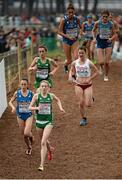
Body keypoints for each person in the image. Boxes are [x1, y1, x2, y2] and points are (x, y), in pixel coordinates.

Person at [29, 80, 65, 171]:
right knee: (44, 141)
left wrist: (60, 108)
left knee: (42, 142)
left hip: (48, 121)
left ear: (48, 88)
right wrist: (37, 108)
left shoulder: (51, 96)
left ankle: (41, 165)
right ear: (40, 87)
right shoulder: (36, 96)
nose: (44, 88)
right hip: (39, 122)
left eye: (46, 86)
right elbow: (29, 107)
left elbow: (58, 100)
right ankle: (49, 150)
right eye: (42, 86)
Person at [69, 46, 99, 126]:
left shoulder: (89, 62)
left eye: (82, 53)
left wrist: (90, 78)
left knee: (88, 104)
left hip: (88, 85)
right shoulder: (75, 62)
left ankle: (91, 98)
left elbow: (97, 72)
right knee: (81, 103)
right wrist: (74, 78)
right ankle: (83, 118)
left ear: (85, 53)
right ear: (78, 53)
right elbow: (72, 70)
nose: (81, 54)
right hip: (78, 84)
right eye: (79, 53)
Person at [9, 78, 34, 155]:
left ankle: (32, 137)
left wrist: (35, 109)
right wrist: (13, 107)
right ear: (20, 85)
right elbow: (10, 102)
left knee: (26, 133)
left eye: (25, 84)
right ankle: (29, 147)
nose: (23, 86)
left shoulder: (31, 93)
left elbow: (36, 102)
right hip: (20, 115)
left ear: (27, 85)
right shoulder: (17, 93)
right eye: (22, 84)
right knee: (23, 134)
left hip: (29, 115)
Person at [92, 10, 116, 81]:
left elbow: (115, 34)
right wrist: (94, 38)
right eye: (103, 16)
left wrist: (111, 39)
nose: (105, 18)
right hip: (100, 42)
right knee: (101, 62)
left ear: (108, 17)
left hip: (108, 42)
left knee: (107, 62)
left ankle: (106, 75)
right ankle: (101, 67)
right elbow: (93, 30)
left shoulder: (111, 24)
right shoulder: (97, 23)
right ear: (101, 16)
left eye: (106, 17)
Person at [58, 3, 82, 73]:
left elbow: (81, 28)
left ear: (74, 12)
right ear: (67, 12)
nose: (71, 14)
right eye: (69, 12)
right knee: (69, 60)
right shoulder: (63, 20)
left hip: (75, 40)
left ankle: (74, 73)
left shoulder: (77, 19)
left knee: (76, 57)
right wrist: (68, 36)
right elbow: (59, 31)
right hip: (66, 41)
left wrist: (79, 34)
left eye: (72, 12)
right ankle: (65, 65)